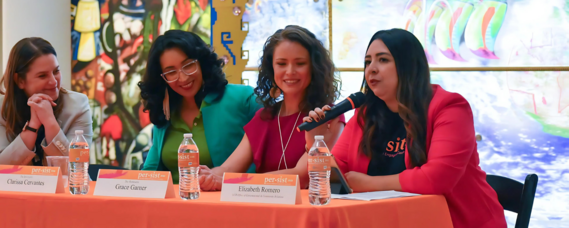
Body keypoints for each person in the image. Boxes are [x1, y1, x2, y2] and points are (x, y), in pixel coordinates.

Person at [305, 28, 505, 228]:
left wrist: (370, 184)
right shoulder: (365, 115)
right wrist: (317, 143)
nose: (371, 69)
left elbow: (437, 179)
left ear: (408, 66)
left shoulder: (449, 107)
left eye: (383, 60)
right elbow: (335, 179)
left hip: (456, 222)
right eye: (368, 62)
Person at [198, 25, 345, 191]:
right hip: (262, 211)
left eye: (300, 63)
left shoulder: (327, 117)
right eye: (281, 63)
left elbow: (301, 177)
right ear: (271, 68)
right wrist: (208, 176)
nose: (290, 71)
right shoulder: (264, 117)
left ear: (314, 67)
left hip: (307, 211)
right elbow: (227, 169)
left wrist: (232, 182)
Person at [139, 30, 261, 183]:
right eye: (171, 72)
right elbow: (149, 174)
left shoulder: (243, 98)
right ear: (162, 78)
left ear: (202, 62)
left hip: (232, 203)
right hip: (176, 205)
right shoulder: (167, 111)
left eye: (188, 65)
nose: (182, 78)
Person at [0, 37, 93, 165]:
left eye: (56, 71)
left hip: (66, 185)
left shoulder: (78, 105)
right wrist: (32, 126)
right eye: (42, 76)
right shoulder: (0, 108)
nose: (54, 81)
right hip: (20, 185)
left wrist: (49, 122)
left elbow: (76, 166)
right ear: (20, 80)